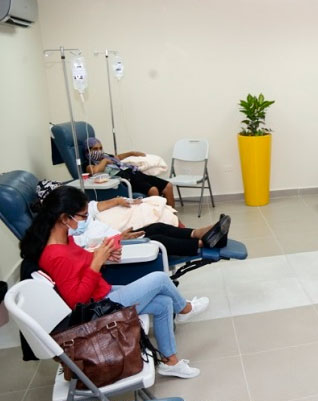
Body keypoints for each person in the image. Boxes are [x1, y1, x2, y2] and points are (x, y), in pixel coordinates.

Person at [20, 186, 210, 379]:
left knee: (164, 303)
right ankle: (185, 309)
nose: (86, 220)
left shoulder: (65, 240)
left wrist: (105, 253)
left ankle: (170, 363)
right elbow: (76, 301)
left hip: (103, 294)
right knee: (160, 279)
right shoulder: (54, 255)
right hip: (96, 311)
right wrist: (97, 263)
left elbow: (80, 262)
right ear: (64, 218)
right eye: (83, 216)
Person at [33, 180, 231, 256]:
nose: (86, 216)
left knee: (156, 227)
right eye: (82, 215)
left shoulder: (72, 218)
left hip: (118, 237)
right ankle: (203, 244)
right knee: (156, 240)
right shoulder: (63, 234)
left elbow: (93, 207)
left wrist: (117, 202)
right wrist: (117, 239)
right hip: (114, 249)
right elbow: (85, 248)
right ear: (63, 215)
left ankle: (204, 232)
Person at [86, 137, 176, 207]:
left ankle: (173, 219)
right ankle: (158, 219)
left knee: (168, 186)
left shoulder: (107, 156)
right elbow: (95, 171)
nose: (99, 151)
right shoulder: (90, 164)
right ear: (88, 150)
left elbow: (119, 157)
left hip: (135, 173)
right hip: (126, 179)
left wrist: (132, 153)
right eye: (95, 149)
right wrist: (104, 161)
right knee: (153, 190)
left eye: (100, 148)